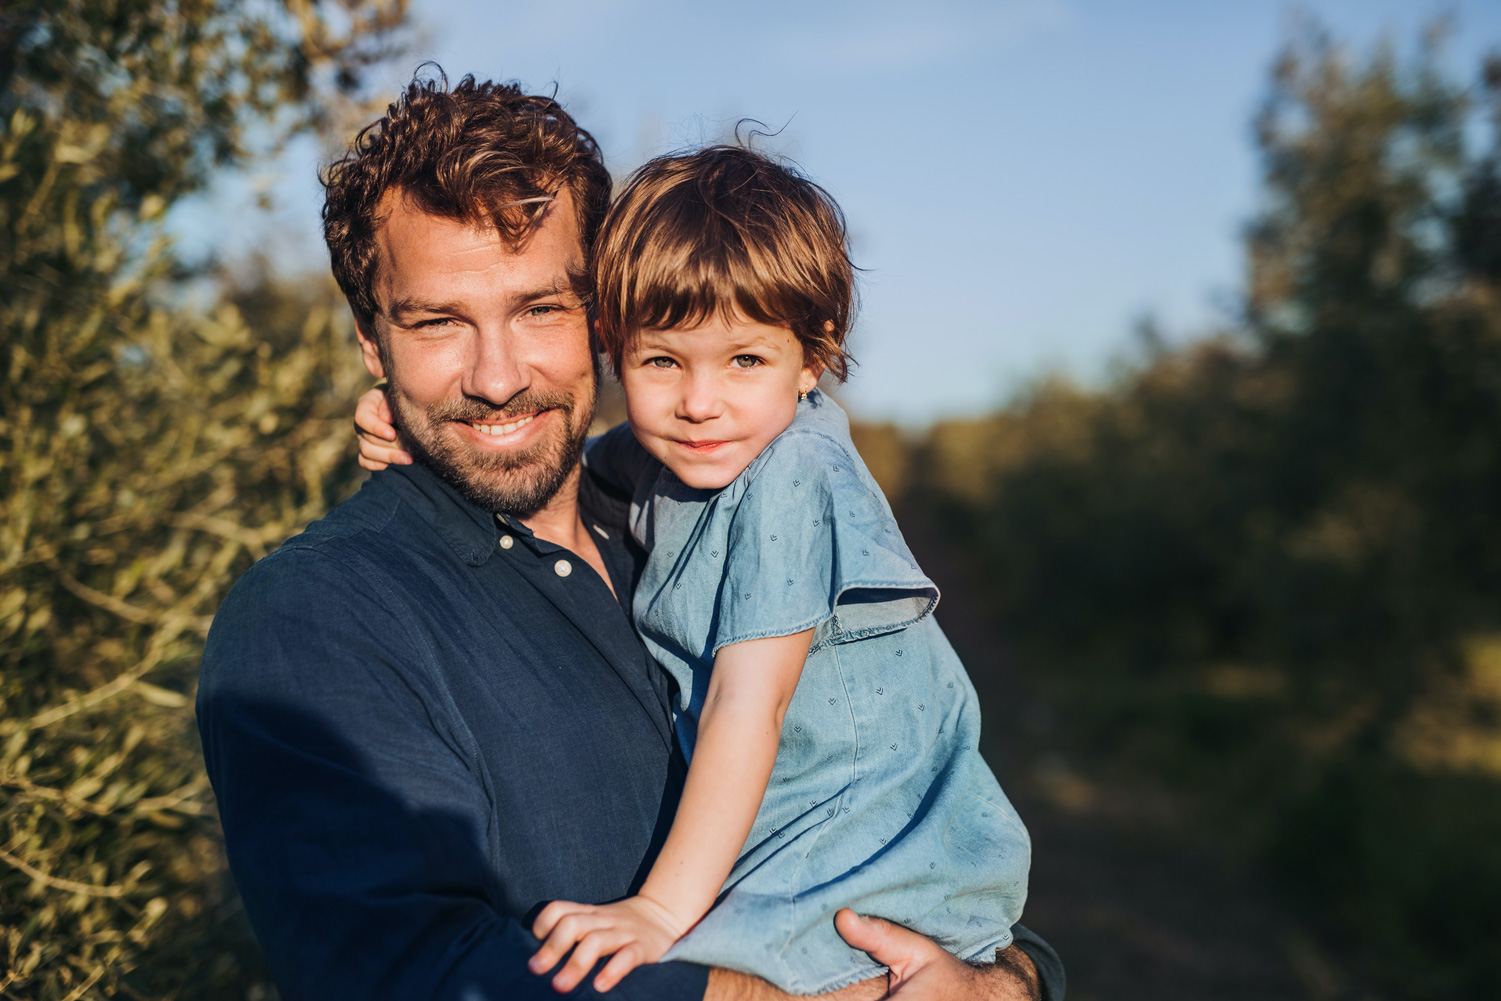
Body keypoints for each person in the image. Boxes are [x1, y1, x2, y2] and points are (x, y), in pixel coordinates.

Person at [199, 72, 1064, 1001]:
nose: (495, 378)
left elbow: (934, 893)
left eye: (539, 309)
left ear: (598, 321)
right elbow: (403, 974)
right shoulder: (315, 616)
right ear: (375, 346)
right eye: (438, 323)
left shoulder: (686, 506)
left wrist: (1001, 985)